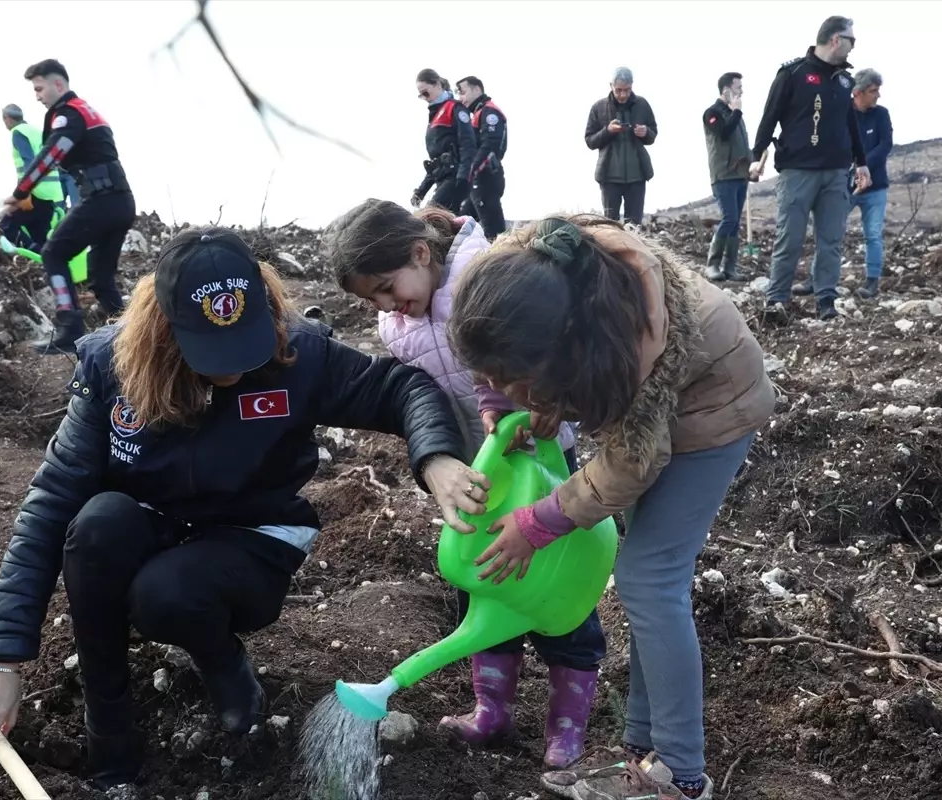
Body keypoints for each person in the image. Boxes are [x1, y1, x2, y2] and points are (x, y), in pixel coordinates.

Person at [0, 226, 486, 792]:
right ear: (165, 329)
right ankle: (109, 729)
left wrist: (434, 457)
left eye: (245, 342)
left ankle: (224, 665)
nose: (233, 367)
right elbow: (50, 503)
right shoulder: (112, 369)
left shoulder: (298, 353)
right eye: (213, 352)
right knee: (95, 526)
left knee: (168, 593)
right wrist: (1, 662)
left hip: (251, 537)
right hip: (150, 520)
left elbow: (402, 388)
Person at [447, 216, 775, 799]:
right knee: (647, 579)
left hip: (714, 407)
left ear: (565, 346)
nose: (504, 381)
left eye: (518, 373)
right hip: (651, 395)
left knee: (651, 580)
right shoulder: (513, 278)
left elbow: (630, 463)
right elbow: (495, 352)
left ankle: (679, 774)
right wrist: (505, 397)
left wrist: (539, 521)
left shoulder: (627, 334)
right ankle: (641, 751)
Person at [324, 199, 605, 768]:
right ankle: (492, 712)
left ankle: (567, 725)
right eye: (371, 299)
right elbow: (421, 395)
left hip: (544, 460)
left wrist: (539, 406)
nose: (385, 304)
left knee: (557, 586)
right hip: (483, 467)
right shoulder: (397, 325)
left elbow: (549, 342)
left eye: (386, 286)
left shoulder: (485, 276)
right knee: (481, 581)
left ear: (421, 252)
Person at [3, 58, 136, 355]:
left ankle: (69, 331)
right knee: (101, 279)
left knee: (53, 254)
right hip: (121, 200)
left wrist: (21, 192)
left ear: (58, 84)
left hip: (101, 200)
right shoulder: (89, 111)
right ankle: (135, 334)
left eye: (39, 89)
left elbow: (51, 154)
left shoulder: (68, 115)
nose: (37, 96)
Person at [750, 16, 870, 321]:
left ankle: (826, 300)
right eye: (851, 40)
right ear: (835, 40)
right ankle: (777, 300)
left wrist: (862, 162)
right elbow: (770, 115)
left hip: (835, 172)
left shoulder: (845, 81)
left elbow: (851, 123)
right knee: (789, 237)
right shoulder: (793, 73)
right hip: (797, 171)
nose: (853, 46)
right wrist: (757, 154)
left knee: (831, 239)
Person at [585, 68, 658, 226]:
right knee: (611, 226)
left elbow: (653, 134)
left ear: (632, 85)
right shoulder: (598, 107)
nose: (623, 95)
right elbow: (590, 140)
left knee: (634, 226)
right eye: (619, 90)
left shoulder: (643, 105)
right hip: (609, 177)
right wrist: (608, 131)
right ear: (611, 86)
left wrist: (646, 132)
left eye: (627, 90)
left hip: (637, 176)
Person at [701, 72, 752, 282]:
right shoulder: (712, 113)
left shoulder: (736, 115)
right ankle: (712, 264)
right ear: (726, 90)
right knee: (729, 218)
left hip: (740, 175)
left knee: (735, 221)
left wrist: (753, 164)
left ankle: (730, 267)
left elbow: (740, 144)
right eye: (738, 87)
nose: (741, 91)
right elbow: (723, 133)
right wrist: (737, 112)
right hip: (723, 174)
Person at [848, 68, 892, 299]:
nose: (878, 95)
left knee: (873, 234)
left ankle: (872, 281)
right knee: (830, 230)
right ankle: (818, 277)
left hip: (875, 187)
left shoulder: (881, 115)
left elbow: (885, 145)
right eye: (873, 91)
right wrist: (853, 170)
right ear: (858, 92)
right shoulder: (844, 114)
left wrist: (863, 165)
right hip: (847, 185)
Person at [0, 103, 64, 251]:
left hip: (35, 192)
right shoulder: (37, 132)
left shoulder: (18, 132)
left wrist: (24, 192)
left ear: (7, 118)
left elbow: (29, 162)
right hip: (51, 192)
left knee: (7, 225)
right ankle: (43, 260)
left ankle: (33, 250)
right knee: (39, 233)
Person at [411, 69, 476, 214]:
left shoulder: (455, 109)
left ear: (438, 85)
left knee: (430, 217)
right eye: (421, 95)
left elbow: (468, 144)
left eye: (426, 92)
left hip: (456, 177)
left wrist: (464, 177)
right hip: (442, 178)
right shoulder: (434, 118)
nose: (425, 97)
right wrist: (421, 191)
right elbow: (436, 162)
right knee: (442, 225)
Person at [455, 76, 508, 240]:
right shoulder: (478, 113)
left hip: (486, 176)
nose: (460, 98)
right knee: (462, 224)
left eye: (462, 92)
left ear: (476, 89)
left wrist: (469, 171)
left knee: (492, 228)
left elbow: (490, 146)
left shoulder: (489, 112)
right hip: (478, 179)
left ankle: (501, 261)